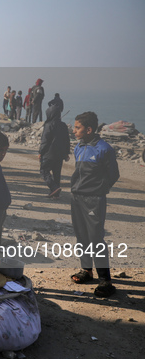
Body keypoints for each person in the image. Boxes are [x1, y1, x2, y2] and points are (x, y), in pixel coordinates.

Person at [69, 112, 119, 297]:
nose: (74, 130)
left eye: (77, 127)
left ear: (89, 130)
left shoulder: (104, 149)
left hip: (94, 201)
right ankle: (87, 271)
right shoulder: (79, 147)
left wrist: (97, 190)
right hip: (76, 198)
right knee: (81, 236)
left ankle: (105, 280)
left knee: (95, 239)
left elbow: (113, 175)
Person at [39, 105, 71, 198]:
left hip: (49, 153)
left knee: (44, 171)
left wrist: (41, 152)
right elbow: (67, 140)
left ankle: (53, 187)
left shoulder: (48, 125)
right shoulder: (63, 125)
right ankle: (56, 194)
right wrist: (66, 154)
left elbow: (45, 140)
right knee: (57, 174)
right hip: (60, 154)